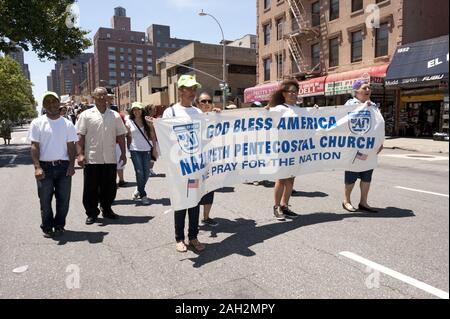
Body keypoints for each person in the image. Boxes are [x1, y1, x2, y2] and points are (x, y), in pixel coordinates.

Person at [162, 75, 220, 253]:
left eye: (194, 88)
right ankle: (179, 238)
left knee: (194, 202)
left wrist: (215, 119)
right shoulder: (170, 112)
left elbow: (206, 137)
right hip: (179, 168)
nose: (192, 91)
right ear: (180, 90)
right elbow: (164, 139)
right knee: (181, 203)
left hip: (195, 167)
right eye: (188, 88)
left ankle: (193, 237)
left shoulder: (197, 113)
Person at [28, 92, 78, 237]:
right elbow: (34, 146)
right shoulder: (37, 123)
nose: (51, 104)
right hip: (44, 167)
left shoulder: (67, 123)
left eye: (54, 101)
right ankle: (47, 226)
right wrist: (37, 167)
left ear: (59, 103)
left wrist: (71, 165)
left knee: (63, 200)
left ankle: (59, 225)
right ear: (44, 105)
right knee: (45, 200)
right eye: (47, 102)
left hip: (63, 167)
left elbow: (71, 147)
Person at [76, 87, 128, 225]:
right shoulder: (86, 115)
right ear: (93, 97)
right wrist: (80, 154)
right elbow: (80, 135)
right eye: (98, 95)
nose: (101, 98)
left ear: (108, 97)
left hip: (110, 157)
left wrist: (123, 153)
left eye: (104, 95)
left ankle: (107, 209)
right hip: (92, 158)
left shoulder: (115, 115)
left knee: (109, 186)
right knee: (90, 188)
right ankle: (92, 213)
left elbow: (121, 135)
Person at [342, 80, 384, 213]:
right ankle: (346, 200)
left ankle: (363, 202)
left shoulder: (373, 106)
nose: (368, 90)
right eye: (364, 88)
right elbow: (341, 122)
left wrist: (380, 142)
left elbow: (378, 125)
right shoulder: (349, 105)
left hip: (369, 148)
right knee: (351, 176)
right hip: (354, 148)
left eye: (369, 88)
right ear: (356, 92)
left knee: (367, 176)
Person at [268, 79, 301, 221]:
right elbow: (264, 117)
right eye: (290, 91)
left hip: (296, 150)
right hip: (282, 149)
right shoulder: (278, 109)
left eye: (296, 91)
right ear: (284, 93)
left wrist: (315, 111)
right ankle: (276, 207)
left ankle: (285, 205)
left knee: (291, 180)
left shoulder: (300, 110)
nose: (293, 94)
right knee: (281, 179)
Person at [126, 102, 158, 205]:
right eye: (134, 110)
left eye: (138, 109)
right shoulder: (129, 121)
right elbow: (128, 135)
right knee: (139, 172)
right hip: (135, 150)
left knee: (146, 173)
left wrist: (154, 148)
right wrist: (127, 148)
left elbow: (152, 135)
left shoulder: (147, 121)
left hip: (147, 150)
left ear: (142, 110)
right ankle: (143, 195)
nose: (136, 111)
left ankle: (138, 189)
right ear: (132, 111)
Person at [196, 92, 219, 227]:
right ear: (198, 103)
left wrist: (219, 115)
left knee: (209, 188)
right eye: (203, 101)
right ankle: (194, 218)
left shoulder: (215, 117)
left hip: (211, 159)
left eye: (209, 101)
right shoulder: (193, 116)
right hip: (195, 161)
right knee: (194, 189)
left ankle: (206, 217)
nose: (206, 104)